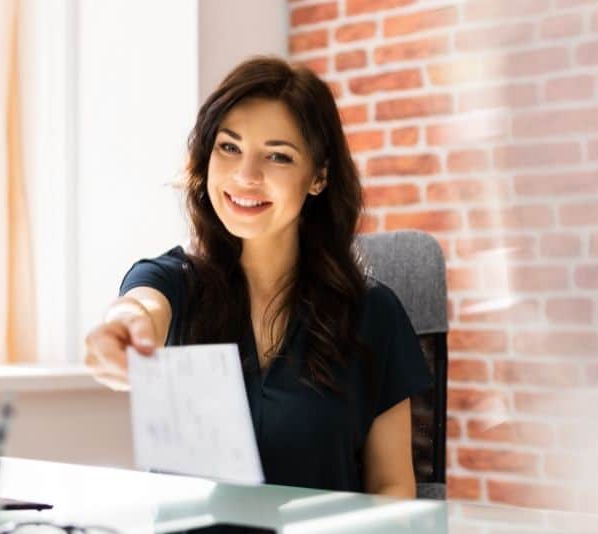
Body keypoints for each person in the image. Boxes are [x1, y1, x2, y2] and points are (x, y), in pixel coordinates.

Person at [84, 56, 431, 498]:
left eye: (278, 157)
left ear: (319, 177)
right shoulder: (173, 281)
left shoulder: (373, 313)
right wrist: (122, 327)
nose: (246, 177)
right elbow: (141, 307)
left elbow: (392, 484)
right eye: (229, 147)